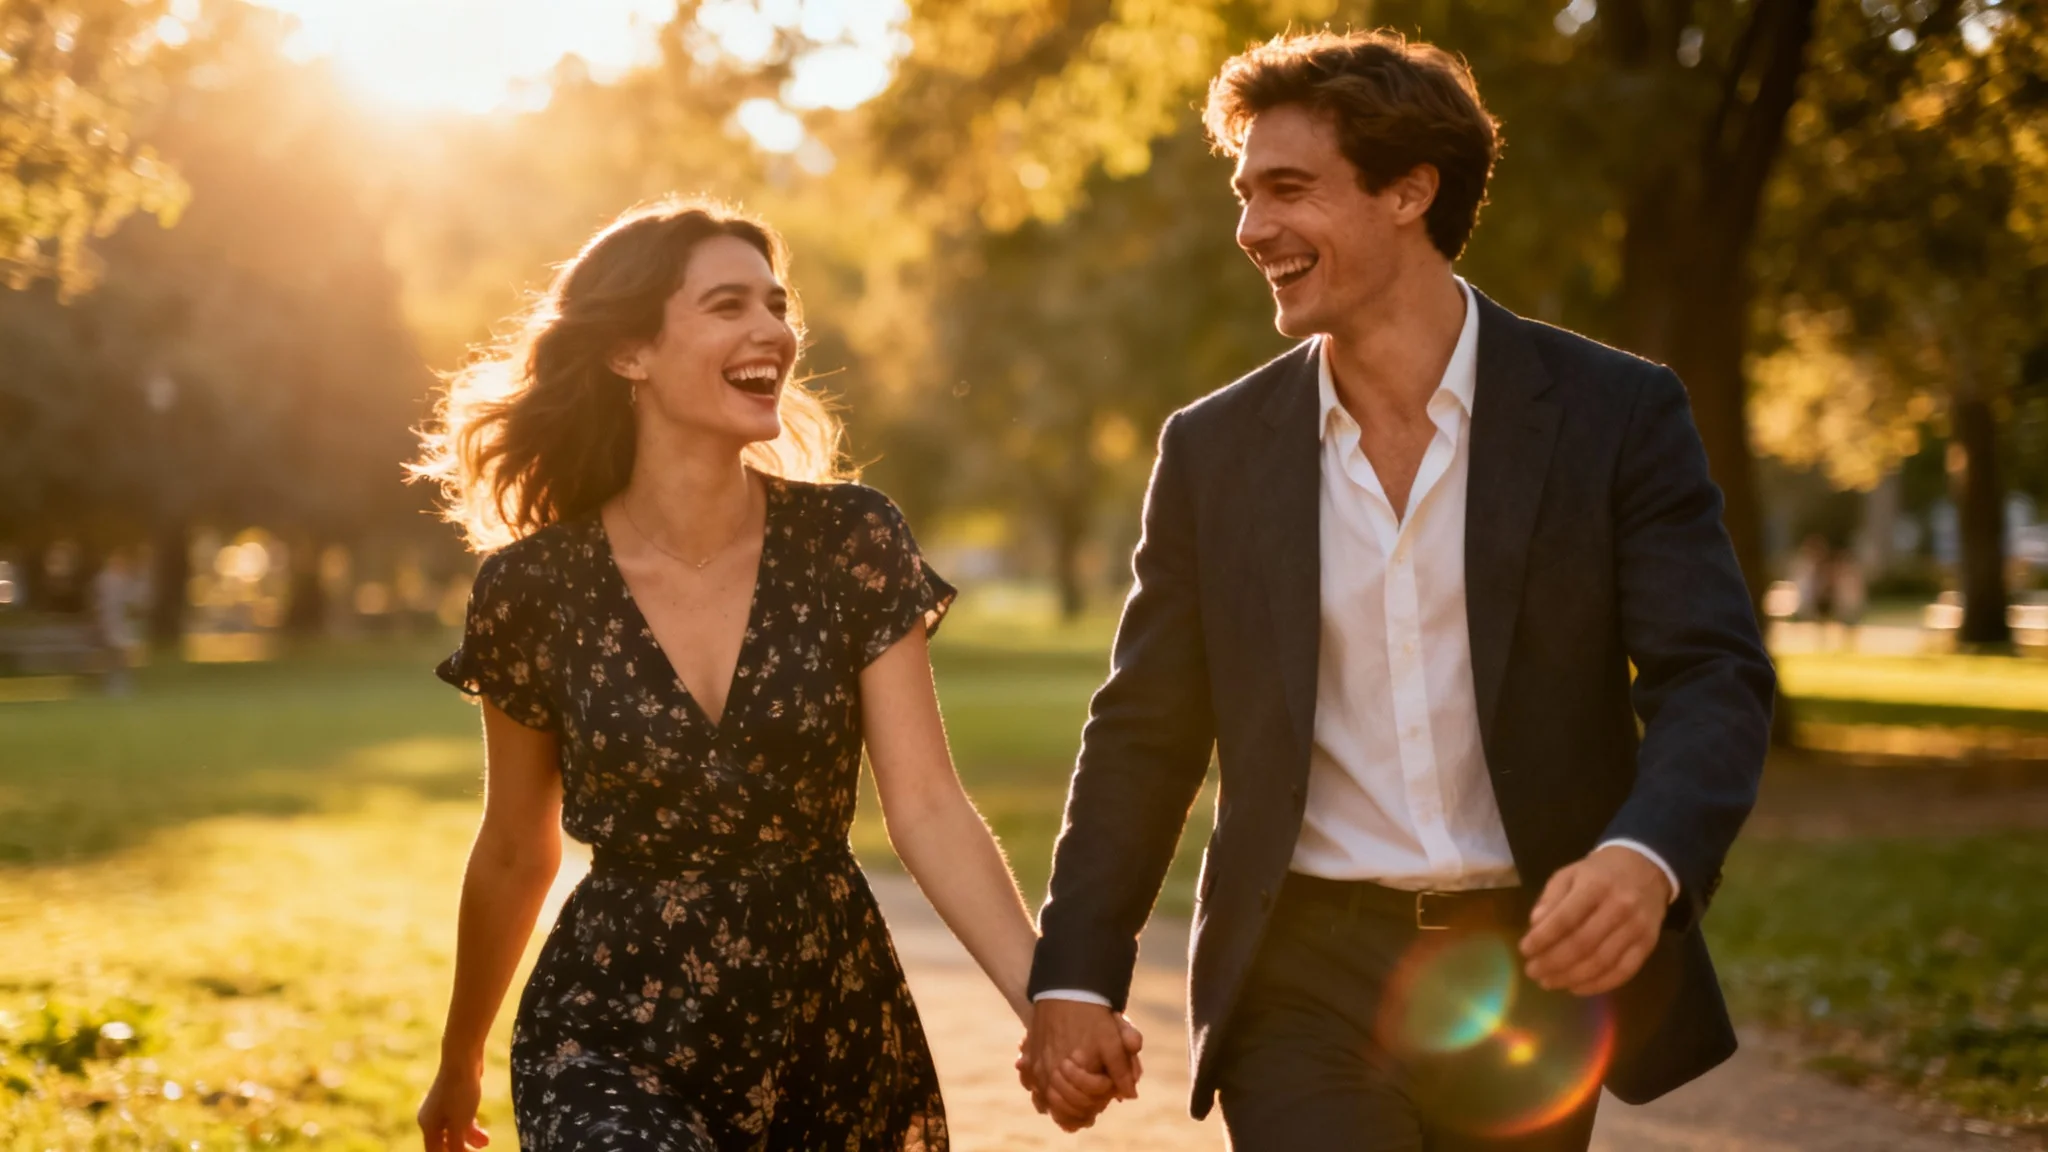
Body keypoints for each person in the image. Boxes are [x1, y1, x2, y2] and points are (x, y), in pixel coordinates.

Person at [1016, 29, 1776, 1151]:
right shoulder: (1213, 452)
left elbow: (1710, 675)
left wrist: (1642, 856)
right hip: (1299, 973)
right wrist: (1074, 973)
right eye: (1243, 192)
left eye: (1287, 188)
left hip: (1523, 975)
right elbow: (1144, 732)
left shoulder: (1613, 416)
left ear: (1409, 191)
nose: (1249, 228)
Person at [409, 199, 1109, 1151]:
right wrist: (459, 1061)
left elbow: (928, 806)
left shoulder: (851, 541)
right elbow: (512, 850)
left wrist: (1046, 1009)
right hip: (610, 1026)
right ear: (629, 353)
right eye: (727, 305)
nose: (771, 332)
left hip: (824, 1016)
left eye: (776, 306)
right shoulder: (533, 589)